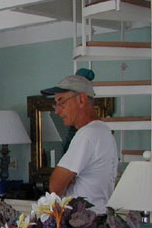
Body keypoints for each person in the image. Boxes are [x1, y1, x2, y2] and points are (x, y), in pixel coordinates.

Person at [41, 69, 118, 214]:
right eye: (56, 105)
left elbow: (55, 186)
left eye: (61, 102)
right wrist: (68, 177)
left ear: (81, 100)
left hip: (84, 220)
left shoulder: (87, 134)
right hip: (98, 216)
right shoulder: (103, 130)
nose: (57, 111)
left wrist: (67, 178)